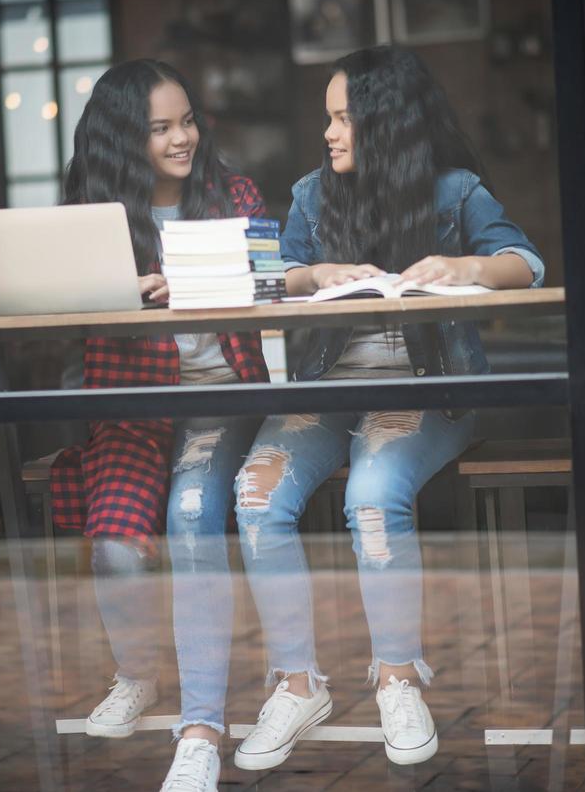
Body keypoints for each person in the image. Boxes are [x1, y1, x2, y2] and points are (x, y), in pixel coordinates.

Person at [232, 44, 544, 770]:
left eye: (344, 118)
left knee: (373, 497)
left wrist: (467, 266)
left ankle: (398, 678)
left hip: (427, 389)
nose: (330, 133)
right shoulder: (313, 195)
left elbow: (526, 263)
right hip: (331, 389)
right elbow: (269, 279)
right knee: (256, 496)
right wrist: (315, 273)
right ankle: (296, 681)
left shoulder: (456, 191)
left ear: (387, 122)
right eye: (329, 119)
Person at [51, 58, 269, 792]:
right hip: (132, 403)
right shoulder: (92, 212)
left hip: (217, 396)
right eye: (161, 128)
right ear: (122, 138)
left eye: (188, 121)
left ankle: (201, 722)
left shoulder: (231, 191)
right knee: (114, 545)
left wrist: (200, 283)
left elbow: (273, 278)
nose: (183, 138)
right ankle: (136, 673)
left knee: (188, 518)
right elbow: (62, 311)